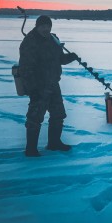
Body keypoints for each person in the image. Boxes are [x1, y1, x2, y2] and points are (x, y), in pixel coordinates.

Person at [19, 15, 78, 157]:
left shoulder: (53, 39)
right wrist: (32, 89)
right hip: (38, 86)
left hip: (53, 83)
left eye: (48, 26)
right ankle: (31, 149)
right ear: (37, 26)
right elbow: (25, 68)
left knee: (58, 114)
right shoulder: (29, 42)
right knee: (35, 118)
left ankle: (54, 143)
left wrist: (70, 58)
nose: (46, 29)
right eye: (43, 26)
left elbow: (60, 59)